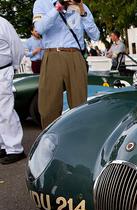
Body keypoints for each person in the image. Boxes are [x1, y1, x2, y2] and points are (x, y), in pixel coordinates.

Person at [33, 0, 100, 129]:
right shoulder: (42, 3)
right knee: (48, 106)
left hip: (75, 56)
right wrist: (58, 6)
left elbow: (95, 36)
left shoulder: (81, 6)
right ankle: (50, 142)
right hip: (52, 54)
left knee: (79, 104)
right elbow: (39, 28)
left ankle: (79, 140)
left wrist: (82, 11)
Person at [0, 17, 26, 165]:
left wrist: (13, 67)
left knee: (5, 111)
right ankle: (4, 145)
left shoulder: (2, 23)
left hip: (2, 71)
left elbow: (17, 48)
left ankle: (15, 149)